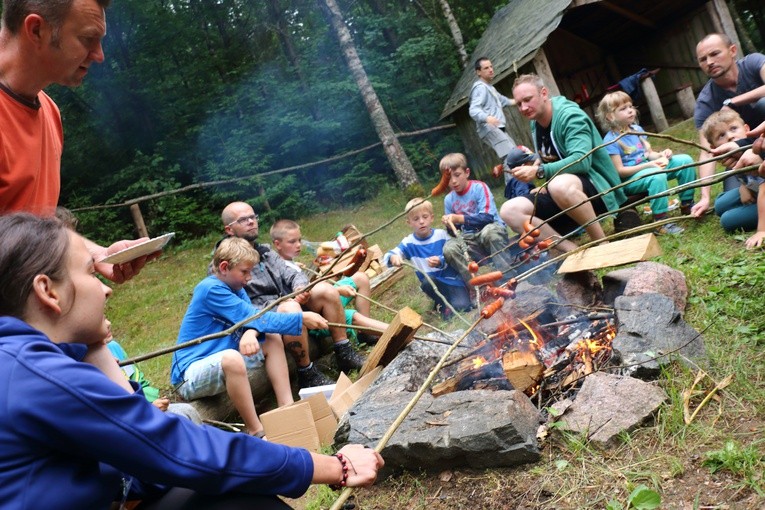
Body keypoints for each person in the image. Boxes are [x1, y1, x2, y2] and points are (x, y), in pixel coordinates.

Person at [0, 212, 384, 509]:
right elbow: (173, 447)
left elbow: (140, 452)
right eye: (89, 272)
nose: (105, 289)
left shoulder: (26, 363)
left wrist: (94, 341)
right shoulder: (36, 374)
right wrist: (335, 467)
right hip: (198, 370)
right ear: (47, 291)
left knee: (230, 492)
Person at [0, 0, 155, 283]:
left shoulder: (50, 112)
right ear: (36, 30)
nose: (99, 55)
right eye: (87, 39)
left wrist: (94, 253)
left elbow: (36, 227)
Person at [172, 238, 320, 438]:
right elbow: (255, 318)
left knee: (271, 338)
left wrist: (251, 332)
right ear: (224, 267)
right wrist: (301, 318)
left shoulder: (237, 288)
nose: (249, 278)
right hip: (190, 373)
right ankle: (255, 429)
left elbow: (254, 319)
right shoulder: (211, 289)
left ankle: (287, 407)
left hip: (220, 358)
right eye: (245, 272)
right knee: (232, 359)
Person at [219, 202, 366, 389]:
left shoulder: (264, 251)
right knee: (290, 308)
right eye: (243, 219)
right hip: (262, 322)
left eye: (253, 217)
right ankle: (307, 372)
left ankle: (343, 351)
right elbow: (240, 309)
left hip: (289, 304)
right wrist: (288, 302)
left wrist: (300, 290)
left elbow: (293, 274)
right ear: (229, 229)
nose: (251, 222)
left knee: (324, 289)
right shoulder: (226, 263)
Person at [499, 73, 626, 253]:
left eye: (528, 100)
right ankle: (571, 251)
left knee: (559, 185)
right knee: (509, 210)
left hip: (599, 188)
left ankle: (603, 244)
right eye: (519, 103)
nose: (524, 107)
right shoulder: (536, 123)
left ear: (544, 93)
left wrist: (540, 172)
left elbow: (581, 162)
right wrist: (542, 178)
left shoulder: (570, 117)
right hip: (564, 191)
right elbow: (549, 157)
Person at [270, 219, 386, 345]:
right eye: (292, 242)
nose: (298, 245)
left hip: (323, 302)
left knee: (360, 278)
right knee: (352, 316)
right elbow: (302, 299)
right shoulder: (278, 271)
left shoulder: (290, 263)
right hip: (315, 317)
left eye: (299, 240)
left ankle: (365, 334)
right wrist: (337, 290)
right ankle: (405, 331)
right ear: (277, 244)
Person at [596, 91, 695, 235]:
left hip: (648, 169)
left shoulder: (637, 130)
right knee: (657, 175)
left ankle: (687, 204)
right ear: (610, 116)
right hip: (629, 180)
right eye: (623, 109)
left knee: (685, 160)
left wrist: (661, 155)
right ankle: (661, 223)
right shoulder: (610, 141)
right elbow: (620, 171)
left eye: (630, 106)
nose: (630, 110)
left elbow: (648, 154)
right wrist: (649, 166)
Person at [692, 33, 765, 216]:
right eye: (703, 59)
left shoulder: (753, 63)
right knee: (723, 207)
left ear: (732, 51)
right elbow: (707, 150)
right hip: (741, 156)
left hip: (761, 143)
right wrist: (705, 196)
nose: (709, 62)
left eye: (714, 54)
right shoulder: (706, 101)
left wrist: (732, 102)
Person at [384, 197, 472, 319]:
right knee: (427, 282)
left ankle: (450, 301)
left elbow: (455, 252)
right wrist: (393, 257)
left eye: (425, 217)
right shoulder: (409, 242)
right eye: (416, 219)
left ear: (431, 217)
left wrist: (441, 260)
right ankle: (442, 302)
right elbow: (390, 254)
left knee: (464, 306)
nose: (421, 222)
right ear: (408, 222)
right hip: (432, 283)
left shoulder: (442, 235)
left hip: (453, 280)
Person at [439, 152, 517, 284]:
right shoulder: (449, 199)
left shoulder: (479, 187)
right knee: (449, 248)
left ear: (467, 172)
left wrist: (459, 218)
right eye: (448, 178)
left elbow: (487, 218)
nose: (453, 181)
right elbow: (455, 232)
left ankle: (508, 279)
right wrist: (449, 225)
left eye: (457, 175)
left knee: (490, 232)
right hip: (470, 241)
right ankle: (477, 287)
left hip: (491, 232)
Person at [106, 326, 203, 425]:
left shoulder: (114, 347)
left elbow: (139, 381)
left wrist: (154, 400)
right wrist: (148, 408)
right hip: (131, 420)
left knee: (188, 411)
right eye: (102, 320)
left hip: (147, 406)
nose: (108, 323)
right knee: (181, 418)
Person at [469, 57, 531, 198]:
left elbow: (505, 101)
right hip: (489, 128)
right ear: (478, 72)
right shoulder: (480, 88)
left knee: (515, 156)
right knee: (511, 157)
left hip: (497, 128)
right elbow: (473, 110)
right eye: (486, 68)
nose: (491, 70)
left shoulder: (490, 88)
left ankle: (518, 190)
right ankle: (514, 195)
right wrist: (486, 118)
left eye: (491, 66)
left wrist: (520, 99)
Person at [701, 110, 765, 248]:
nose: (730, 136)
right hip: (756, 192)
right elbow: (745, 177)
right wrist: (744, 187)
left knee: (728, 220)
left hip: (763, 194)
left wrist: (762, 230)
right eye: (721, 135)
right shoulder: (735, 156)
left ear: (747, 129)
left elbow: (764, 188)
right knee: (719, 204)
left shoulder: (757, 149)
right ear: (714, 147)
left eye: (733, 128)